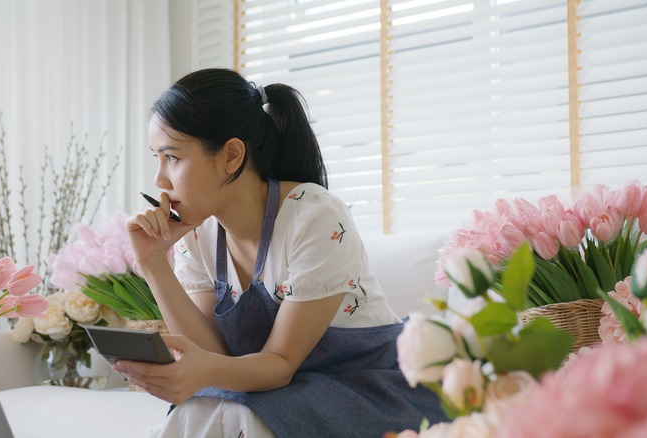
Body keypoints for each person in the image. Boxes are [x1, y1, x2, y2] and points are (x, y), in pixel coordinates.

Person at [118, 68, 445, 437]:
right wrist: (152, 262)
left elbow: (280, 364)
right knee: (205, 407)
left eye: (172, 157)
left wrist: (204, 373)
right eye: (157, 159)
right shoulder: (198, 235)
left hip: (369, 391)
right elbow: (217, 359)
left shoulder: (314, 216)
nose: (160, 179)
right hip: (286, 393)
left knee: (234, 413)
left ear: (231, 155)